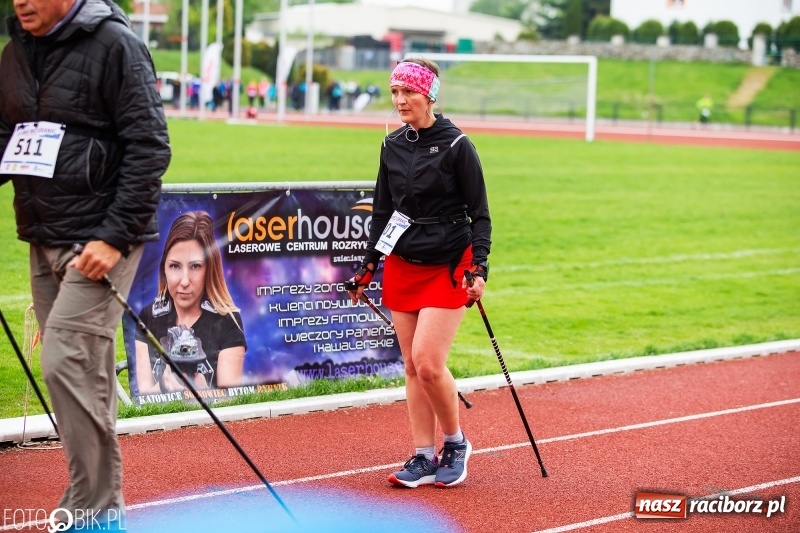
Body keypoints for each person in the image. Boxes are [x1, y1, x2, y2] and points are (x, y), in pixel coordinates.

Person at [0, 0, 171, 529]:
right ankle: (101, 511)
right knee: (86, 373)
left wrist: (114, 238)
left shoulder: (115, 45)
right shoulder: (13, 54)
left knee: (63, 358)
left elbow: (150, 146)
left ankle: (92, 511)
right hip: (42, 233)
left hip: (102, 239)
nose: (21, 1)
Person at [346, 58, 491, 489]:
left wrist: (479, 266)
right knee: (411, 365)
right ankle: (424, 456)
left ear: (429, 95)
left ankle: (456, 442)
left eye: (407, 92)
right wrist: (368, 265)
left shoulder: (456, 145)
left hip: (450, 264)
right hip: (403, 264)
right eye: (394, 92)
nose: (399, 100)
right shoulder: (391, 145)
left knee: (429, 362)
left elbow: (480, 214)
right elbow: (383, 212)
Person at [135, 211, 246, 395]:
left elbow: (231, 402)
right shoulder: (147, 317)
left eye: (195, 266)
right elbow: (143, 396)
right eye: (175, 266)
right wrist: (164, 386)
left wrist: (200, 390)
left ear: (209, 270)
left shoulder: (228, 320)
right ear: (164, 269)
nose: (184, 281)